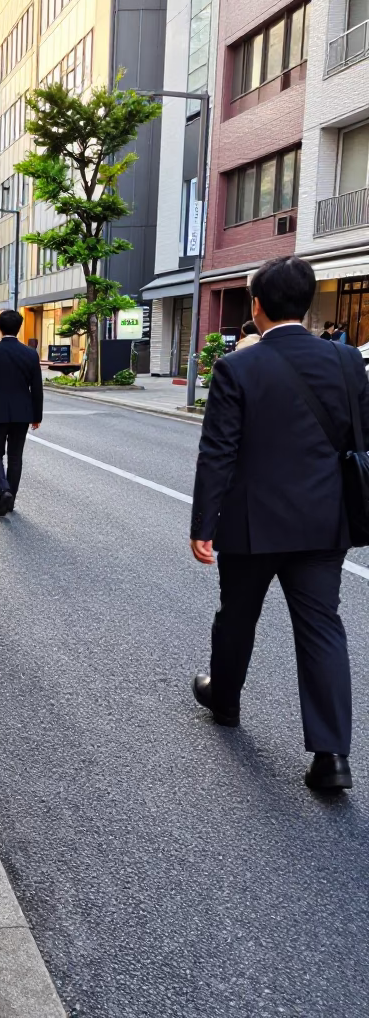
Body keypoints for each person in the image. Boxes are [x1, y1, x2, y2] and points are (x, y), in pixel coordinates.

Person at [190, 255, 369, 793]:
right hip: (325, 519)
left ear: (258, 305)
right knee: (321, 627)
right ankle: (331, 755)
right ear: (308, 302)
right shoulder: (347, 363)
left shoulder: (238, 367)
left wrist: (204, 522)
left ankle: (224, 700)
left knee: (238, 614)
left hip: (252, 521)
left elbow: (218, 451)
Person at [0, 309, 44, 516]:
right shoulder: (30, 354)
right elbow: (37, 388)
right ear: (19, 328)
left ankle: (4, 490)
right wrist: (36, 416)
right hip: (22, 412)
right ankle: (10, 499)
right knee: (15, 456)